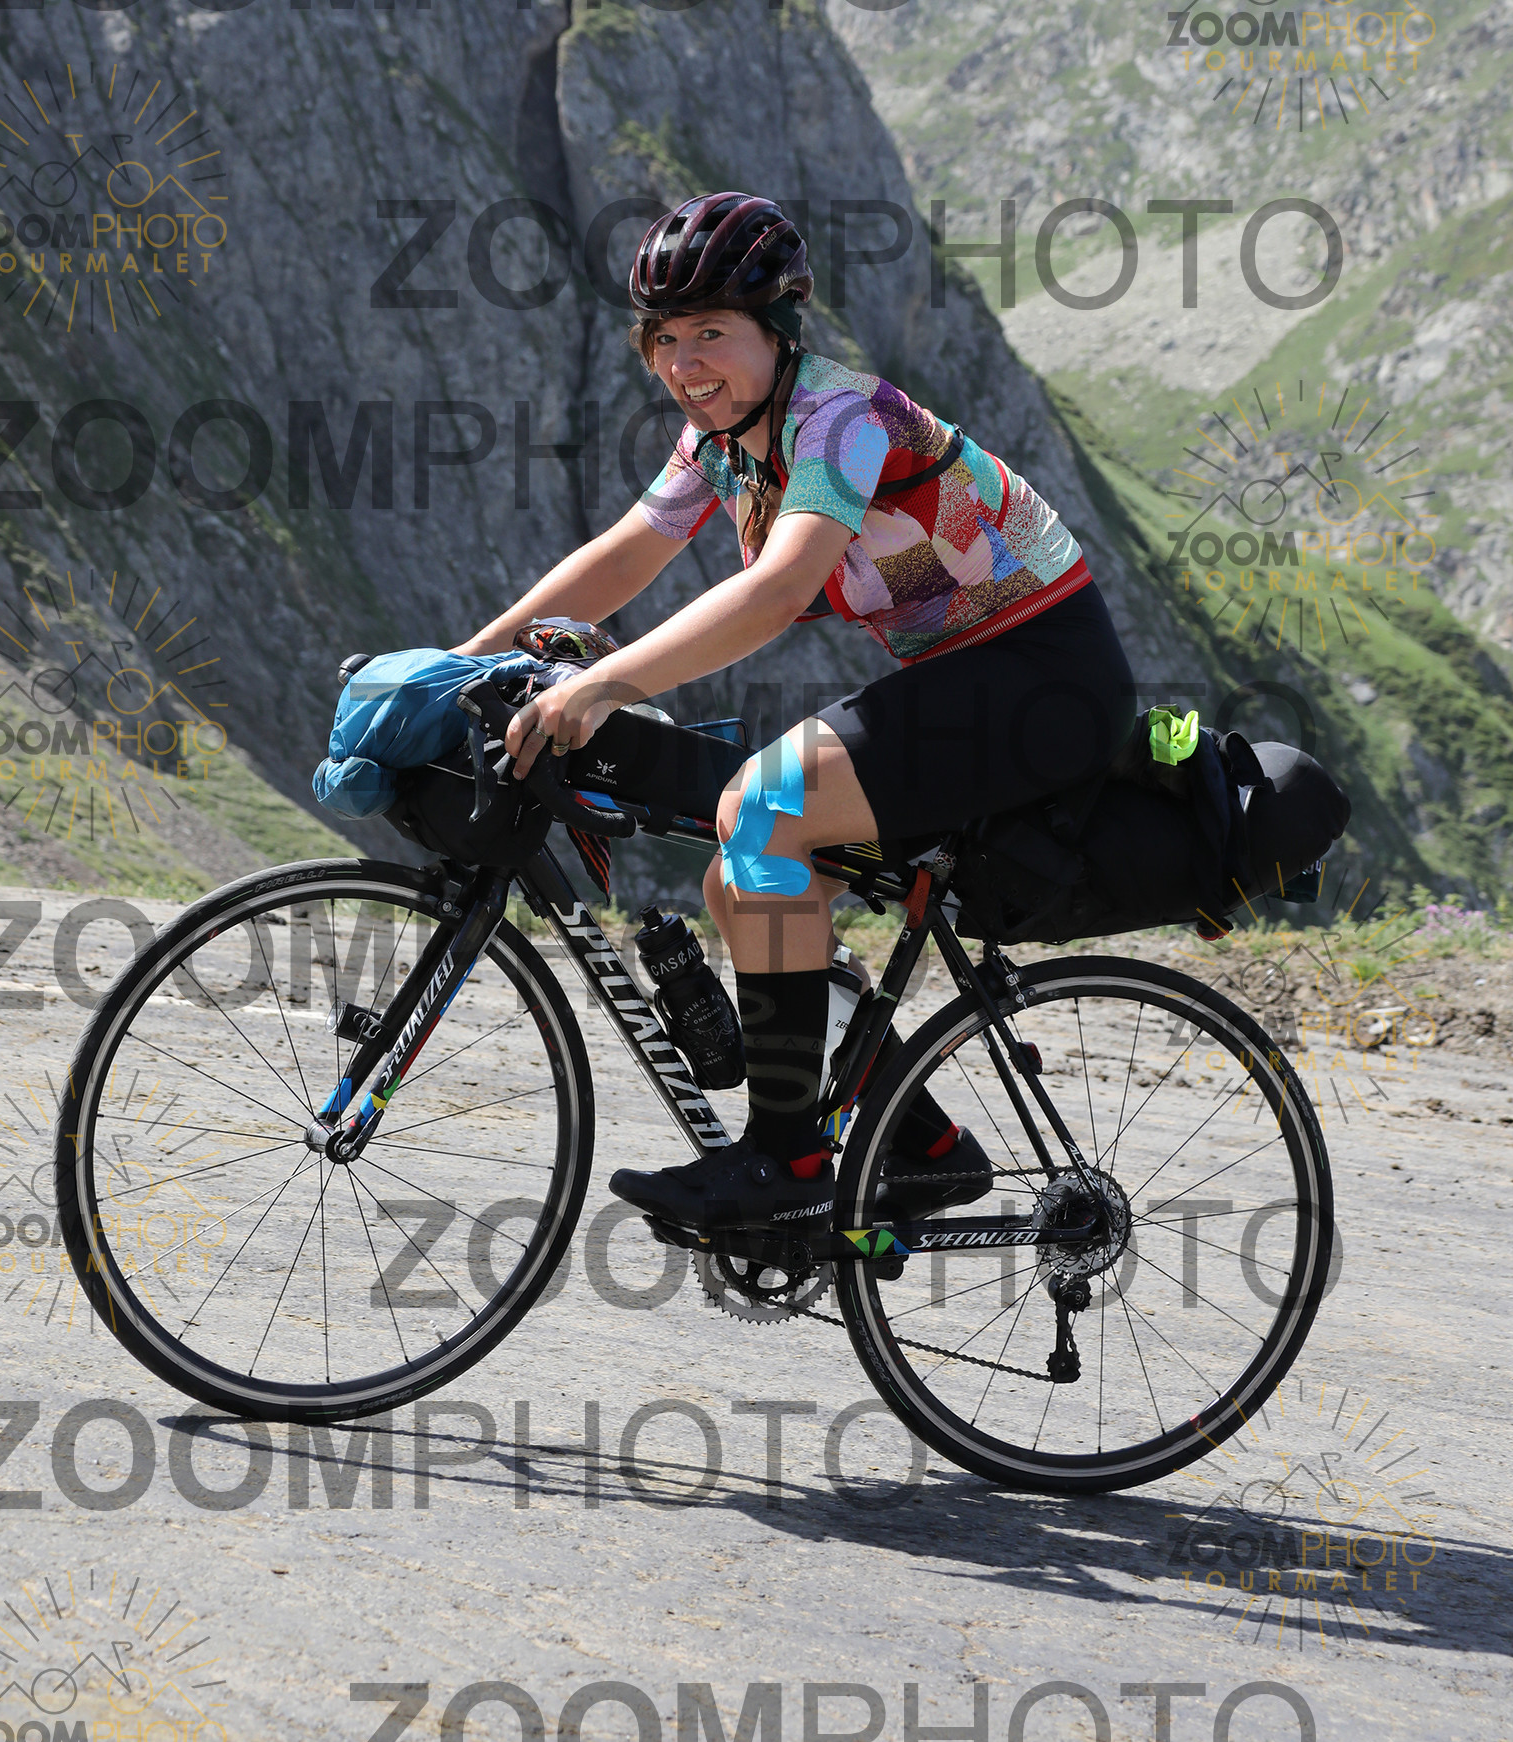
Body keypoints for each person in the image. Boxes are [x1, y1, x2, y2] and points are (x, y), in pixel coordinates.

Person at [452, 192, 1137, 1231]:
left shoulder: (841, 420)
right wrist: (465, 659)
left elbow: (777, 591)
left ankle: (785, 1164)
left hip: (1043, 676)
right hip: (963, 675)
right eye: (664, 339)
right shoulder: (722, 439)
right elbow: (625, 556)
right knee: (740, 880)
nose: (685, 363)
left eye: (711, 334)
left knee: (763, 806)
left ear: (776, 334)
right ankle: (926, 1148)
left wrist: (601, 682)